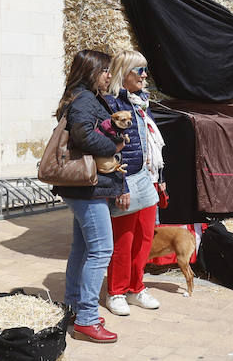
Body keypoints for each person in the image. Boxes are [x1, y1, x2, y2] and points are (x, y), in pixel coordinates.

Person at [53, 49, 128, 344]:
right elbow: (83, 135)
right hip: (89, 188)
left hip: (85, 187)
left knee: (82, 250)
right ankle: (86, 318)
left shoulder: (82, 96)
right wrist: (115, 146)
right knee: (101, 251)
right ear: (91, 72)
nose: (110, 76)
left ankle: (72, 309)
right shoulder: (85, 99)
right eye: (106, 70)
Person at [103, 51, 165, 318]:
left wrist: (159, 179)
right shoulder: (113, 105)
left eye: (145, 69)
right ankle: (115, 291)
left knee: (144, 237)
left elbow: (149, 145)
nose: (144, 75)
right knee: (124, 239)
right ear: (123, 73)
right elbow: (113, 150)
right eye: (138, 70)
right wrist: (121, 185)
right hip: (127, 178)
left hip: (147, 176)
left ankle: (135, 287)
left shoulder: (142, 103)